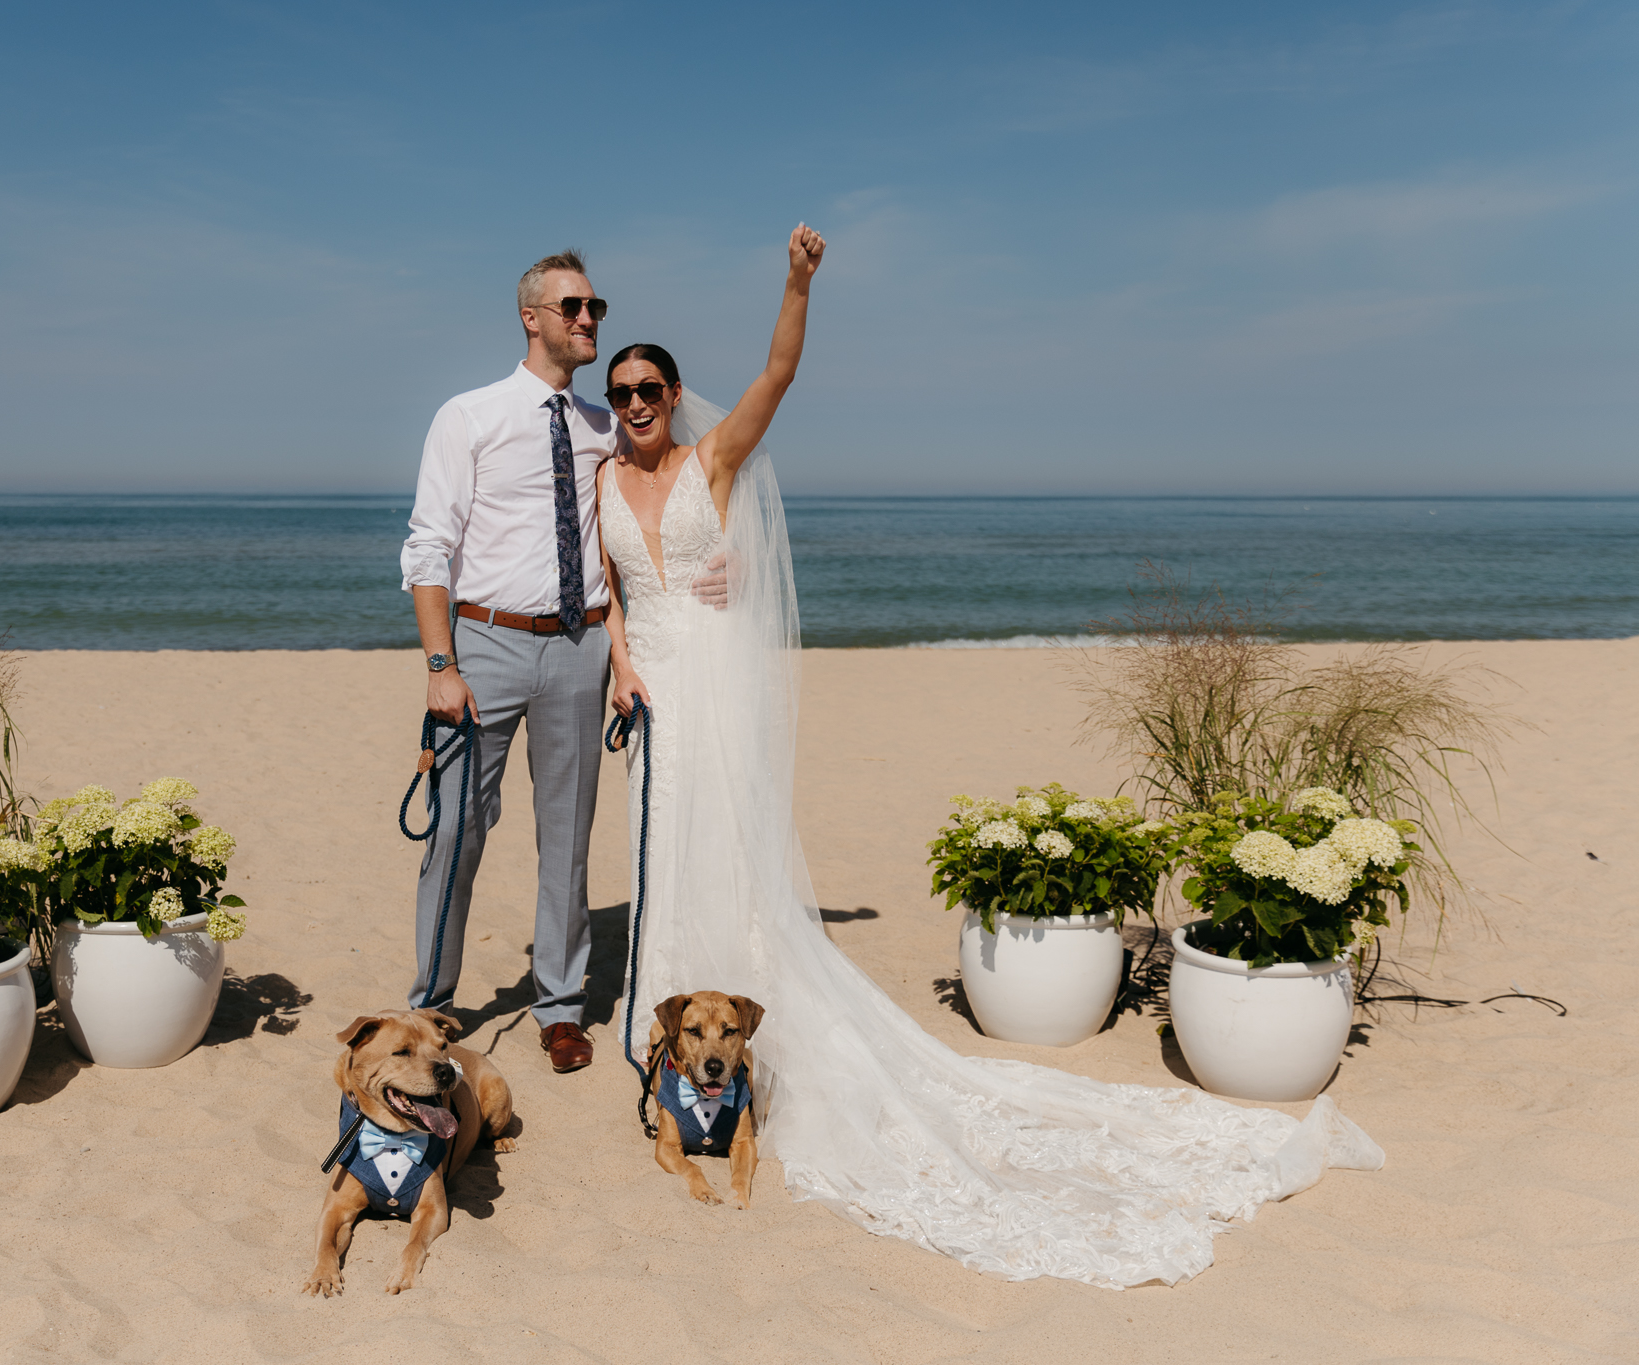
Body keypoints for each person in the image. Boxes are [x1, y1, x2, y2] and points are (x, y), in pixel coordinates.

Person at [593, 224, 1385, 1289]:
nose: (635, 400)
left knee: (725, 847)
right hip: (652, 691)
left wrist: (795, 283)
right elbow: (611, 591)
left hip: (716, 692)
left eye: (648, 385)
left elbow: (780, 371)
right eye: (620, 389)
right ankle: (663, 1029)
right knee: (661, 843)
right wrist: (615, 664)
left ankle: (728, 1036)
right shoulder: (601, 481)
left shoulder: (711, 460)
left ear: (674, 393)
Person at [398, 250, 615, 1073]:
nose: (588, 318)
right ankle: (431, 1002)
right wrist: (439, 662)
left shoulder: (604, 425)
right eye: (572, 306)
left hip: (579, 644)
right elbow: (429, 547)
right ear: (531, 316)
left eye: (595, 305)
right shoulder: (470, 415)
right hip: (482, 644)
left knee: (567, 836)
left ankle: (560, 1005)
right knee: (455, 826)